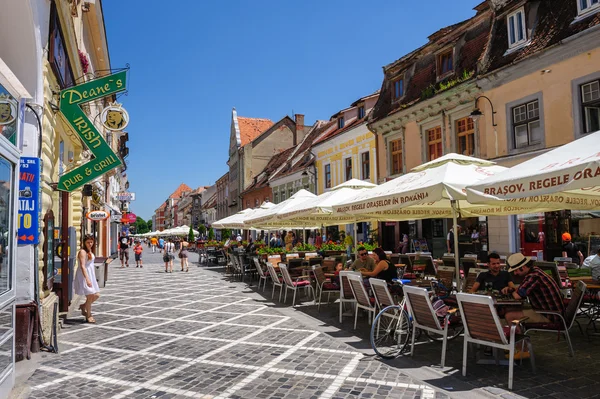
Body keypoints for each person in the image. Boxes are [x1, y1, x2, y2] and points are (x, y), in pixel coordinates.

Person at [504, 252, 565, 359]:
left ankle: (522, 350)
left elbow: (518, 296)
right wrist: (513, 290)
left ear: (522, 267)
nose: (515, 274)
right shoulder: (535, 272)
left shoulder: (533, 276)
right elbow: (521, 290)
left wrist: (511, 290)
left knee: (510, 316)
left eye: (516, 270)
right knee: (511, 310)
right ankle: (516, 344)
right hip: (551, 312)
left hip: (550, 315)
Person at [74, 234, 100, 324]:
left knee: (96, 295)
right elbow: (82, 266)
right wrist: (87, 279)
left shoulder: (89, 251)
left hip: (90, 274)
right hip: (84, 275)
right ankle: (88, 315)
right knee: (90, 296)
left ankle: (83, 306)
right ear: (84, 242)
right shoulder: (82, 252)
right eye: (88, 242)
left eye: (91, 242)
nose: (90, 244)